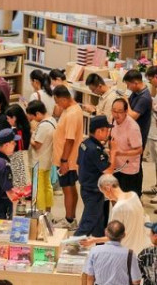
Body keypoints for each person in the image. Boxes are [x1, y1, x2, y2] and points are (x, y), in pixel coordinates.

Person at [76, 116, 114, 237]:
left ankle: (100, 247)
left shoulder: (85, 143)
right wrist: (114, 152)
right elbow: (108, 171)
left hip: (86, 187)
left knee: (99, 222)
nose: (108, 133)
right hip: (93, 191)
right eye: (106, 130)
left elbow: (79, 163)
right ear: (99, 131)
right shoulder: (94, 149)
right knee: (87, 224)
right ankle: (71, 247)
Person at [53, 85, 84, 229]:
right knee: (71, 188)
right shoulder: (72, 109)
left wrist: (64, 160)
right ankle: (71, 218)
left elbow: (70, 140)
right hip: (68, 158)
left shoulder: (72, 114)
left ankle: (69, 219)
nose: (57, 105)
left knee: (67, 189)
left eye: (58, 101)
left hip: (67, 159)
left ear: (65, 99)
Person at [26, 100, 56, 213]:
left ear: (38, 113)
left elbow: (37, 145)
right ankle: (47, 212)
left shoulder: (44, 126)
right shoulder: (52, 120)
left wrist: (30, 137)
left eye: (33, 117)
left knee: (38, 190)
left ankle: (40, 214)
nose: (34, 120)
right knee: (47, 187)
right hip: (47, 161)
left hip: (38, 162)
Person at [109, 99, 143, 196]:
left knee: (127, 200)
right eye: (114, 111)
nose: (116, 114)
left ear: (126, 112)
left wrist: (120, 153)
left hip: (128, 169)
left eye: (119, 112)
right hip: (115, 165)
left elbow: (139, 150)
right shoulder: (113, 120)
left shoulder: (133, 127)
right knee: (115, 195)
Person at [125, 70, 152, 144]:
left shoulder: (144, 98)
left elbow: (133, 116)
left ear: (135, 83)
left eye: (128, 84)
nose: (128, 87)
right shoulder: (136, 91)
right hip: (130, 129)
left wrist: (125, 101)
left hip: (138, 133)